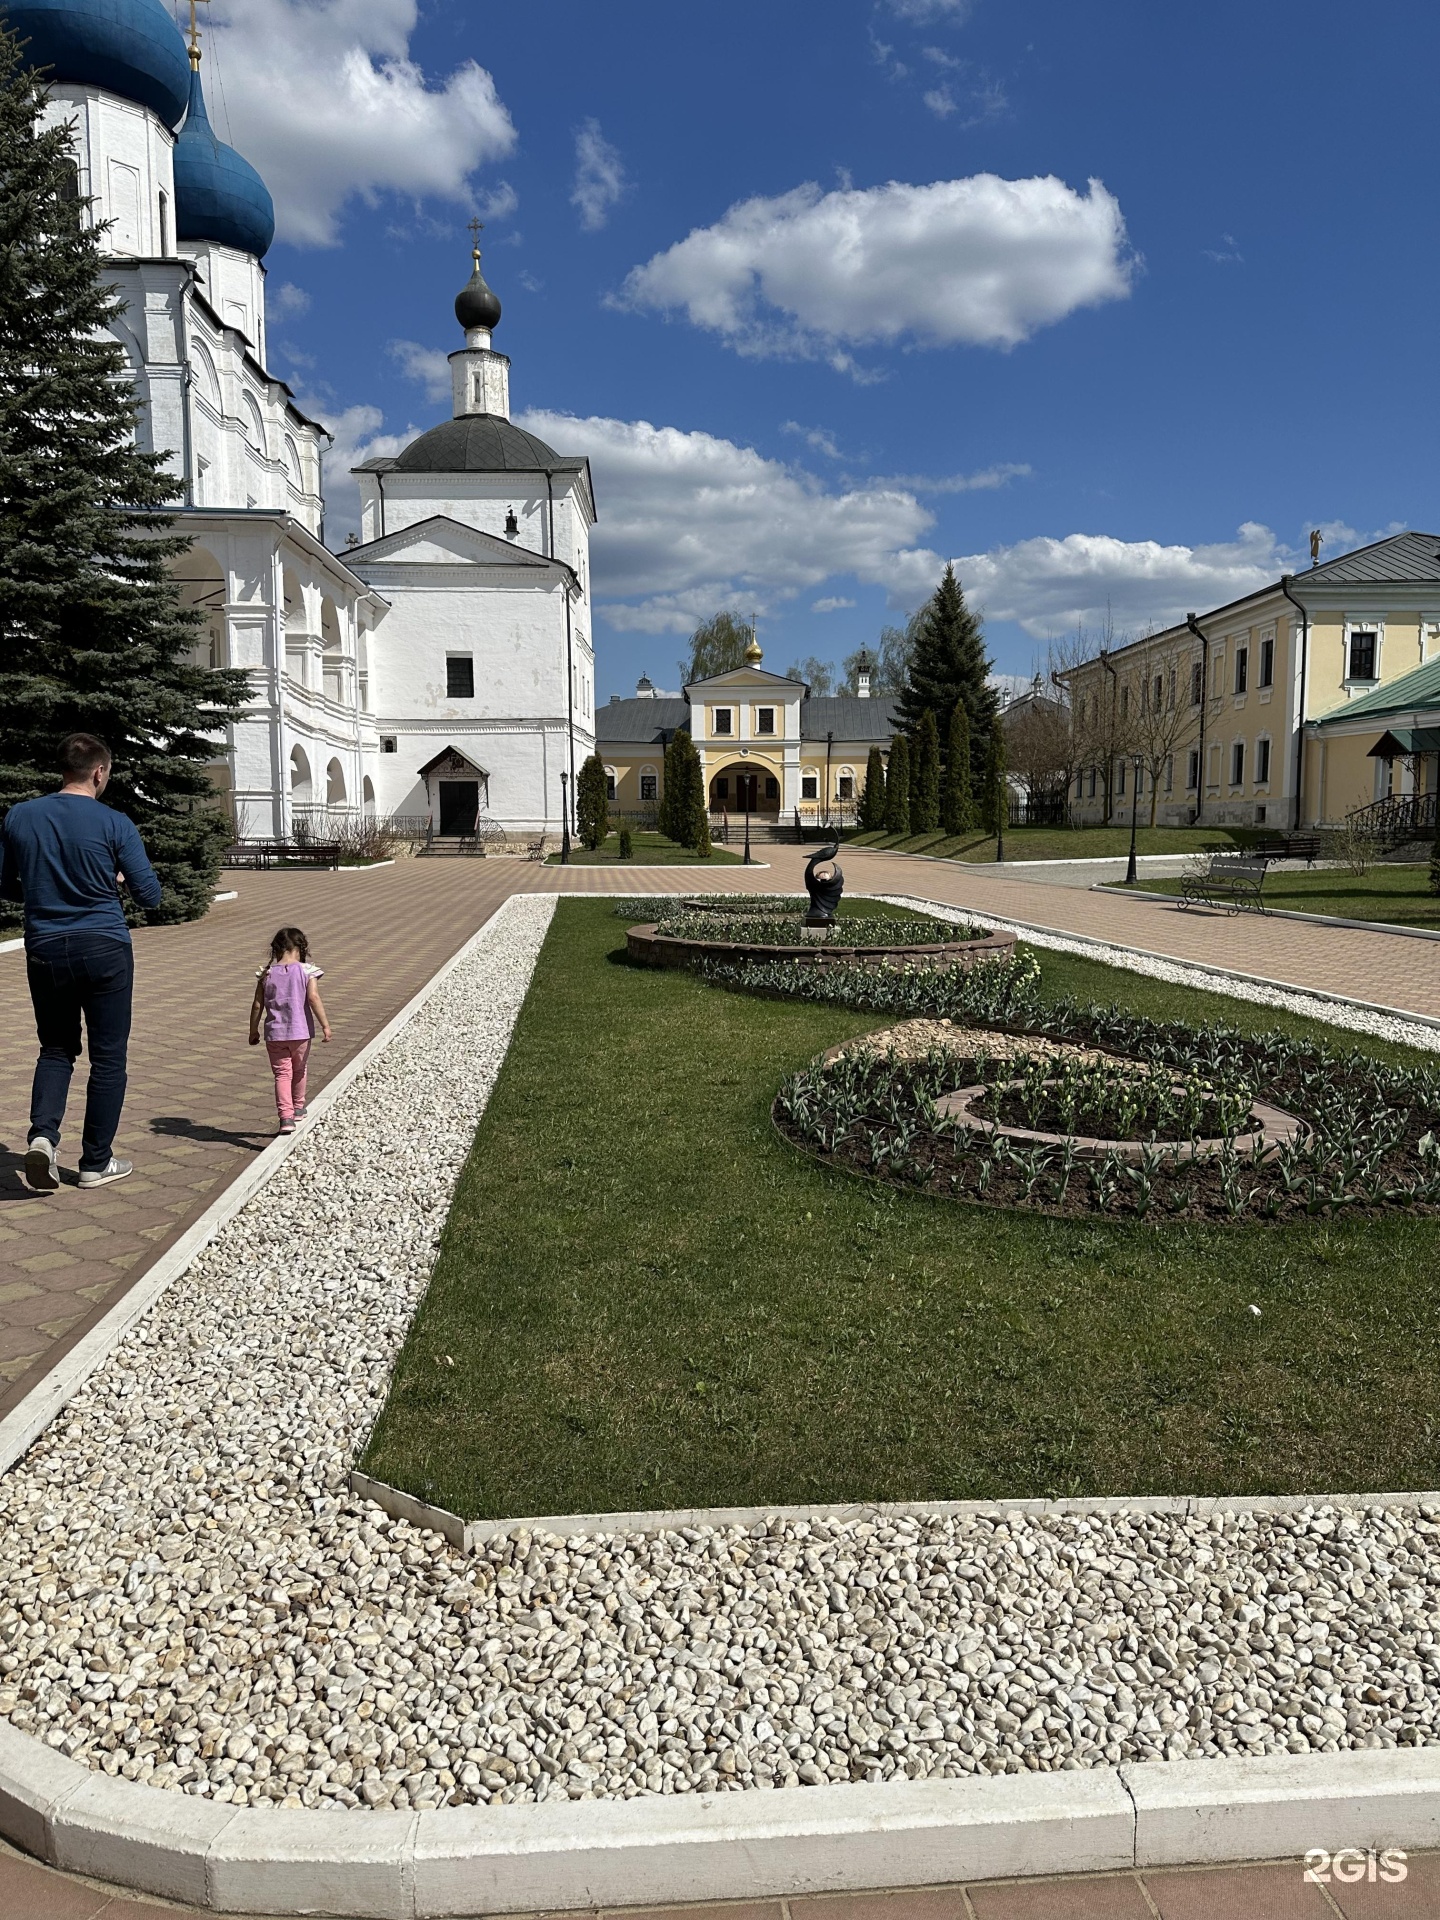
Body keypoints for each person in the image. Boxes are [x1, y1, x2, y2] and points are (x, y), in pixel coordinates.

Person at [0, 734, 163, 1192]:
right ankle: (95, 1162)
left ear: (63, 769)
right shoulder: (115, 823)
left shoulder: (20, 816)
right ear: (99, 772)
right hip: (105, 947)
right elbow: (150, 897)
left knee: (55, 1048)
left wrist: (40, 886)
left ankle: (42, 1137)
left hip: (45, 948)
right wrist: (111, 881)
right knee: (108, 1058)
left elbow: (4, 883)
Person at [248, 926, 331, 1134]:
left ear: (276, 949)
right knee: (299, 1069)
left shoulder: (266, 974)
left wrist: (253, 1030)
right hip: (301, 1032)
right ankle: (298, 1107)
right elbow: (313, 998)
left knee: (281, 1074)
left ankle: (285, 1117)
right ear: (301, 948)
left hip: (274, 1034)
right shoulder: (306, 971)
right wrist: (325, 1025)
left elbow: (257, 1004)